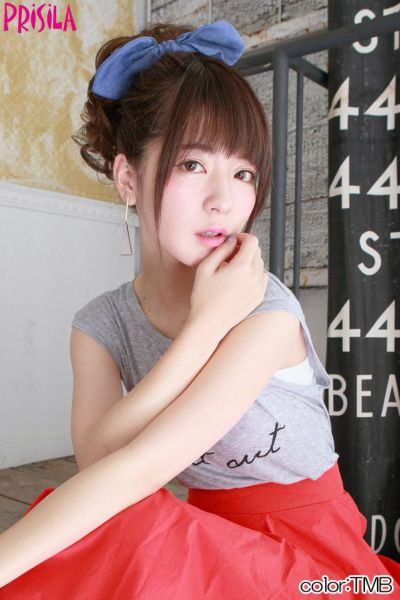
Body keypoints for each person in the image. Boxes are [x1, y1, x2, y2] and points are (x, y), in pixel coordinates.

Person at [0, 19, 399, 600]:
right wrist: (202, 329)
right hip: (209, 546)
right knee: (105, 522)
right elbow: (98, 460)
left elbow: (135, 468)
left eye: (243, 173)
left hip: (318, 565)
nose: (224, 200)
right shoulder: (101, 324)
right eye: (193, 164)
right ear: (128, 177)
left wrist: (214, 321)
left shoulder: (265, 313)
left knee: (130, 525)